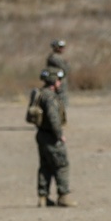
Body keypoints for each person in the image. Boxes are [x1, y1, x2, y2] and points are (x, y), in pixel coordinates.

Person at [35, 68, 76, 207]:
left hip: (41, 135)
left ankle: (43, 197)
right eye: (58, 80)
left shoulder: (41, 94)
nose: (60, 83)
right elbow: (53, 118)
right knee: (61, 165)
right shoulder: (50, 97)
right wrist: (59, 135)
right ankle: (63, 195)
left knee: (45, 166)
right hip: (51, 136)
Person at [46, 39, 70, 109]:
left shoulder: (58, 57)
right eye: (60, 47)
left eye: (63, 47)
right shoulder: (54, 57)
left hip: (60, 82)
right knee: (61, 103)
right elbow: (65, 69)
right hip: (57, 83)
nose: (62, 49)